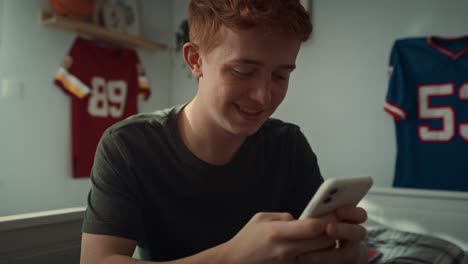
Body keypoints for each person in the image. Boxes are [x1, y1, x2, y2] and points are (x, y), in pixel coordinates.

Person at [80, 0, 369, 263]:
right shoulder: (128, 146)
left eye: (281, 76)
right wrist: (233, 256)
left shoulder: (289, 146)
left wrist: (345, 253)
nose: (263, 97)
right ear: (195, 60)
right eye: (243, 71)